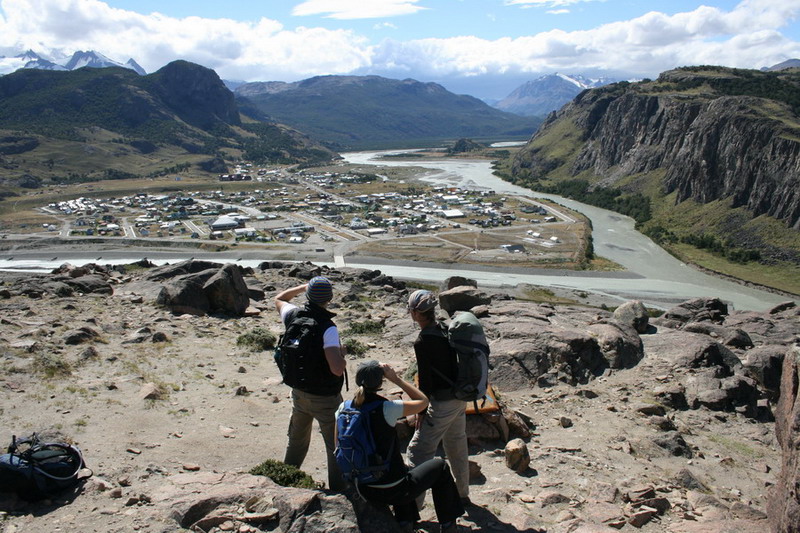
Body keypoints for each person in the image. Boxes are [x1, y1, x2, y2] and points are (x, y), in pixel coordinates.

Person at [337, 360, 464, 533]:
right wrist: (396, 379)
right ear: (380, 382)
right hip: (391, 489)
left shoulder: (343, 410)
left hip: (362, 486)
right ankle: (448, 525)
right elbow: (423, 401)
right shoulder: (387, 408)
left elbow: (336, 446)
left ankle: (406, 521)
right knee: (439, 467)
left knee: (402, 470)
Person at [275, 275, 347, 492]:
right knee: (335, 447)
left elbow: (279, 298)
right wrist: (342, 355)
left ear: (308, 295)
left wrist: (302, 286)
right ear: (330, 299)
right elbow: (336, 368)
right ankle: (338, 492)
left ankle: (285, 483)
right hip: (325, 398)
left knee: (296, 441)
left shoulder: (292, 315)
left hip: (298, 392)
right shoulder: (328, 327)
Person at [405, 289, 471, 506]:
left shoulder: (423, 341)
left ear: (416, 313)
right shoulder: (445, 328)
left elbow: (425, 381)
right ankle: (462, 494)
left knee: (418, 450)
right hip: (460, 397)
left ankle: (413, 506)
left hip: (441, 404)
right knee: (456, 444)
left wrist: (421, 412)